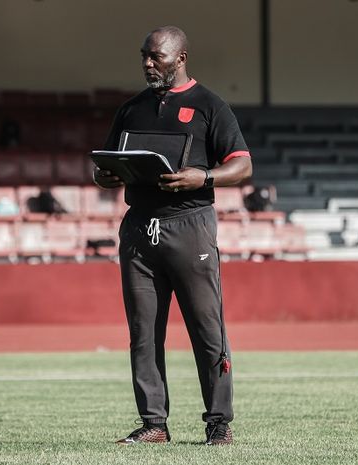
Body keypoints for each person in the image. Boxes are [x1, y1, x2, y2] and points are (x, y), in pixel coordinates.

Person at [94, 26, 252, 446]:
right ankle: (154, 424)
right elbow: (105, 166)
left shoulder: (209, 105)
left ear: (180, 58)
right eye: (144, 55)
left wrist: (204, 176)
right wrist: (105, 175)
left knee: (207, 329)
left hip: (190, 228)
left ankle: (218, 424)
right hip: (139, 231)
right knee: (143, 332)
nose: (147, 63)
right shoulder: (131, 109)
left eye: (156, 57)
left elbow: (242, 166)